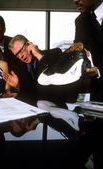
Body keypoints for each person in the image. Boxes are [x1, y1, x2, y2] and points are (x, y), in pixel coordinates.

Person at [73, 1, 103, 168]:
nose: (75, 0)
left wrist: (99, 70)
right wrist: (77, 51)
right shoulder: (80, 20)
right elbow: (81, 50)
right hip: (92, 96)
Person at [0, 14, 26, 99]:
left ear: (3, 29)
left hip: (18, 87)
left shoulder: (14, 43)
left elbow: (24, 68)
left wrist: (18, 89)